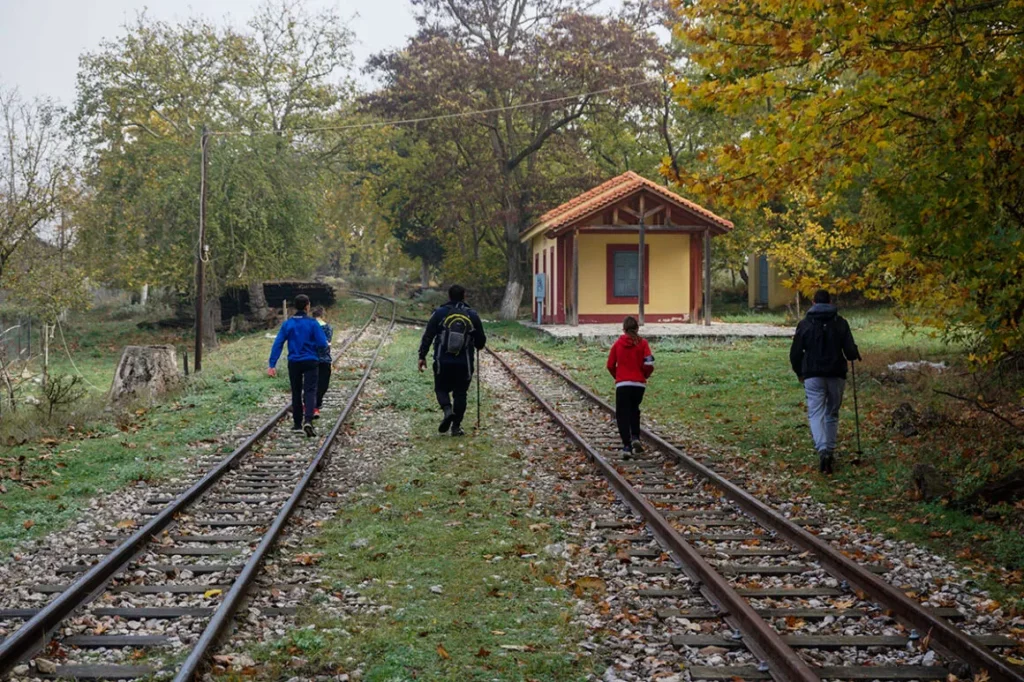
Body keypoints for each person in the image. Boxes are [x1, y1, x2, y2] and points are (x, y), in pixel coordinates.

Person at [789, 289, 861, 474]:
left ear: (813, 303)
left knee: (815, 413)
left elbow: (795, 353)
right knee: (832, 413)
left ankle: (822, 450)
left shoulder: (805, 324)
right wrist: (854, 352)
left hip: (812, 374)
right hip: (836, 373)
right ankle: (829, 449)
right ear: (830, 302)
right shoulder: (840, 322)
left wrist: (799, 372)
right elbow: (850, 352)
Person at [417, 284, 487, 437]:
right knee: (460, 393)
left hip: (442, 361)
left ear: (448, 296)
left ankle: (447, 410)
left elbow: (428, 336)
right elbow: (481, 342)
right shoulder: (472, 315)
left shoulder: (439, 313)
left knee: (441, 389)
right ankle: (456, 427)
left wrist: (422, 356)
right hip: (464, 363)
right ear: (464, 296)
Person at [268, 294, 328, 437]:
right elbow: (322, 343)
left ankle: (297, 424)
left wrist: (272, 364)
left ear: (295, 306)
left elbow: (278, 344)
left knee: (296, 392)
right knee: (310, 391)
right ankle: (308, 420)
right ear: (307, 306)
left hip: (294, 362)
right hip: (311, 361)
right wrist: (315, 349)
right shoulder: (313, 323)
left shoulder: (288, 324)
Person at [606, 316, 655, 460]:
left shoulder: (617, 344)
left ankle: (627, 446)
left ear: (623, 329)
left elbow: (610, 365)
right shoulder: (643, 343)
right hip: (639, 385)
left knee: (622, 414)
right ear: (637, 328)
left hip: (622, 384)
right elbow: (649, 363)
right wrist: (644, 375)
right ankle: (635, 437)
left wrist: (618, 376)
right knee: (634, 410)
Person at [311, 306, 334, 420]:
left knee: (311, 383)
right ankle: (316, 404)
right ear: (323, 315)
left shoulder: (309, 327)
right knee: (323, 383)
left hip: (310, 358)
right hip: (324, 359)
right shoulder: (328, 328)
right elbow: (328, 342)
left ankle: (313, 404)